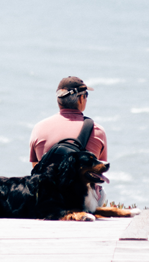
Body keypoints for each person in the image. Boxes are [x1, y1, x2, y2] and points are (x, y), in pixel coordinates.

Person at [29, 76, 108, 206]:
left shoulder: (38, 128)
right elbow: (98, 171)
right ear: (81, 98)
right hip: (81, 202)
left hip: (49, 201)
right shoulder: (97, 130)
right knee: (101, 191)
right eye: (86, 95)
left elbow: (37, 169)